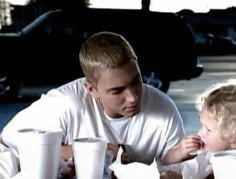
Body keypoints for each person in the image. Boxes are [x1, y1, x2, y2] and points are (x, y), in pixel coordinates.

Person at [1, 31, 186, 166]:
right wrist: (86, 151)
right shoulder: (66, 103)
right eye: (117, 90)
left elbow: (179, 168)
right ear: (92, 90)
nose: (132, 97)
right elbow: (8, 139)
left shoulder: (164, 108)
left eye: (136, 81)